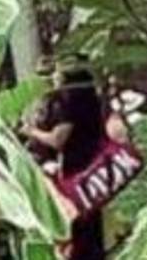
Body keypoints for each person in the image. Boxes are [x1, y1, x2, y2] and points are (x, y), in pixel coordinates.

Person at [23, 66, 107, 259]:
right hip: (95, 160)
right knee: (92, 215)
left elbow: (57, 139)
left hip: (76, 164)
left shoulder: (71, 104)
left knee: (78, 215)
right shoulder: (95, 101)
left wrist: (31, 131)